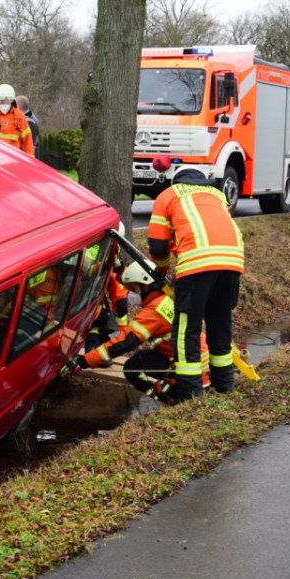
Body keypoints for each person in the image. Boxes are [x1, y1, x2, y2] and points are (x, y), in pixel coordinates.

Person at [146, 156, 244, 403]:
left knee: (186, 329)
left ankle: (190, 393)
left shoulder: (168, 195)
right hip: (232, 263)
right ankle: (224, 385)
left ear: (175, 180)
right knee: (219, 322)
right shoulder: (217, 195)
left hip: (197, 265)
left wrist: (161, 269)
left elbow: (158, 245)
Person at [74, 260, 208, 401]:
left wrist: (85, 361)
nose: (130, 294)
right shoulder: (165, 295)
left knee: (134, 369)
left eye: (132, 289)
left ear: (145, 286)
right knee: (141, 359)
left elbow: (125, 342)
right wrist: (119, 269)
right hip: (192, 358)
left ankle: (173, 398)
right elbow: (136, 281)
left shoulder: (154, 312)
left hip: (192, 370)